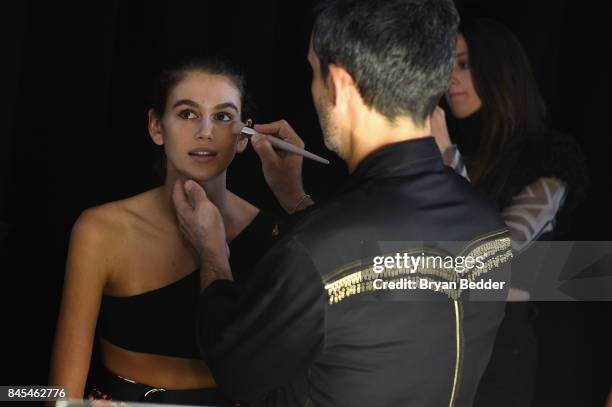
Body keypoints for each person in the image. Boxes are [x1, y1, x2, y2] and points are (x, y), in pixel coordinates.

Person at [173, 1, 512, 406]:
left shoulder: (317, 251)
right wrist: (295, 199)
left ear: (340, 86)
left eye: (314, 71)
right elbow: (383, 318)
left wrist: (212, 250)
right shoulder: (486, 219)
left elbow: (235, 369)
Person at [48, 54, 280, 405]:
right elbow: (61, 396)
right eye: (187, 114)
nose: (206, 131)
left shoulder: (271, 234)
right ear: (157, 127)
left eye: (222, 117)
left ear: (243, 136)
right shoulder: (101, 231)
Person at [431, 18, 588, 406]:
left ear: (500, 70)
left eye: (464, 65)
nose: (450, 78)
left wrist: (445, 151)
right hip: (438, 343)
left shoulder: (550, 158)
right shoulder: (470, 157)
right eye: (447, 65)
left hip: (498, 353)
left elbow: (495, 253)